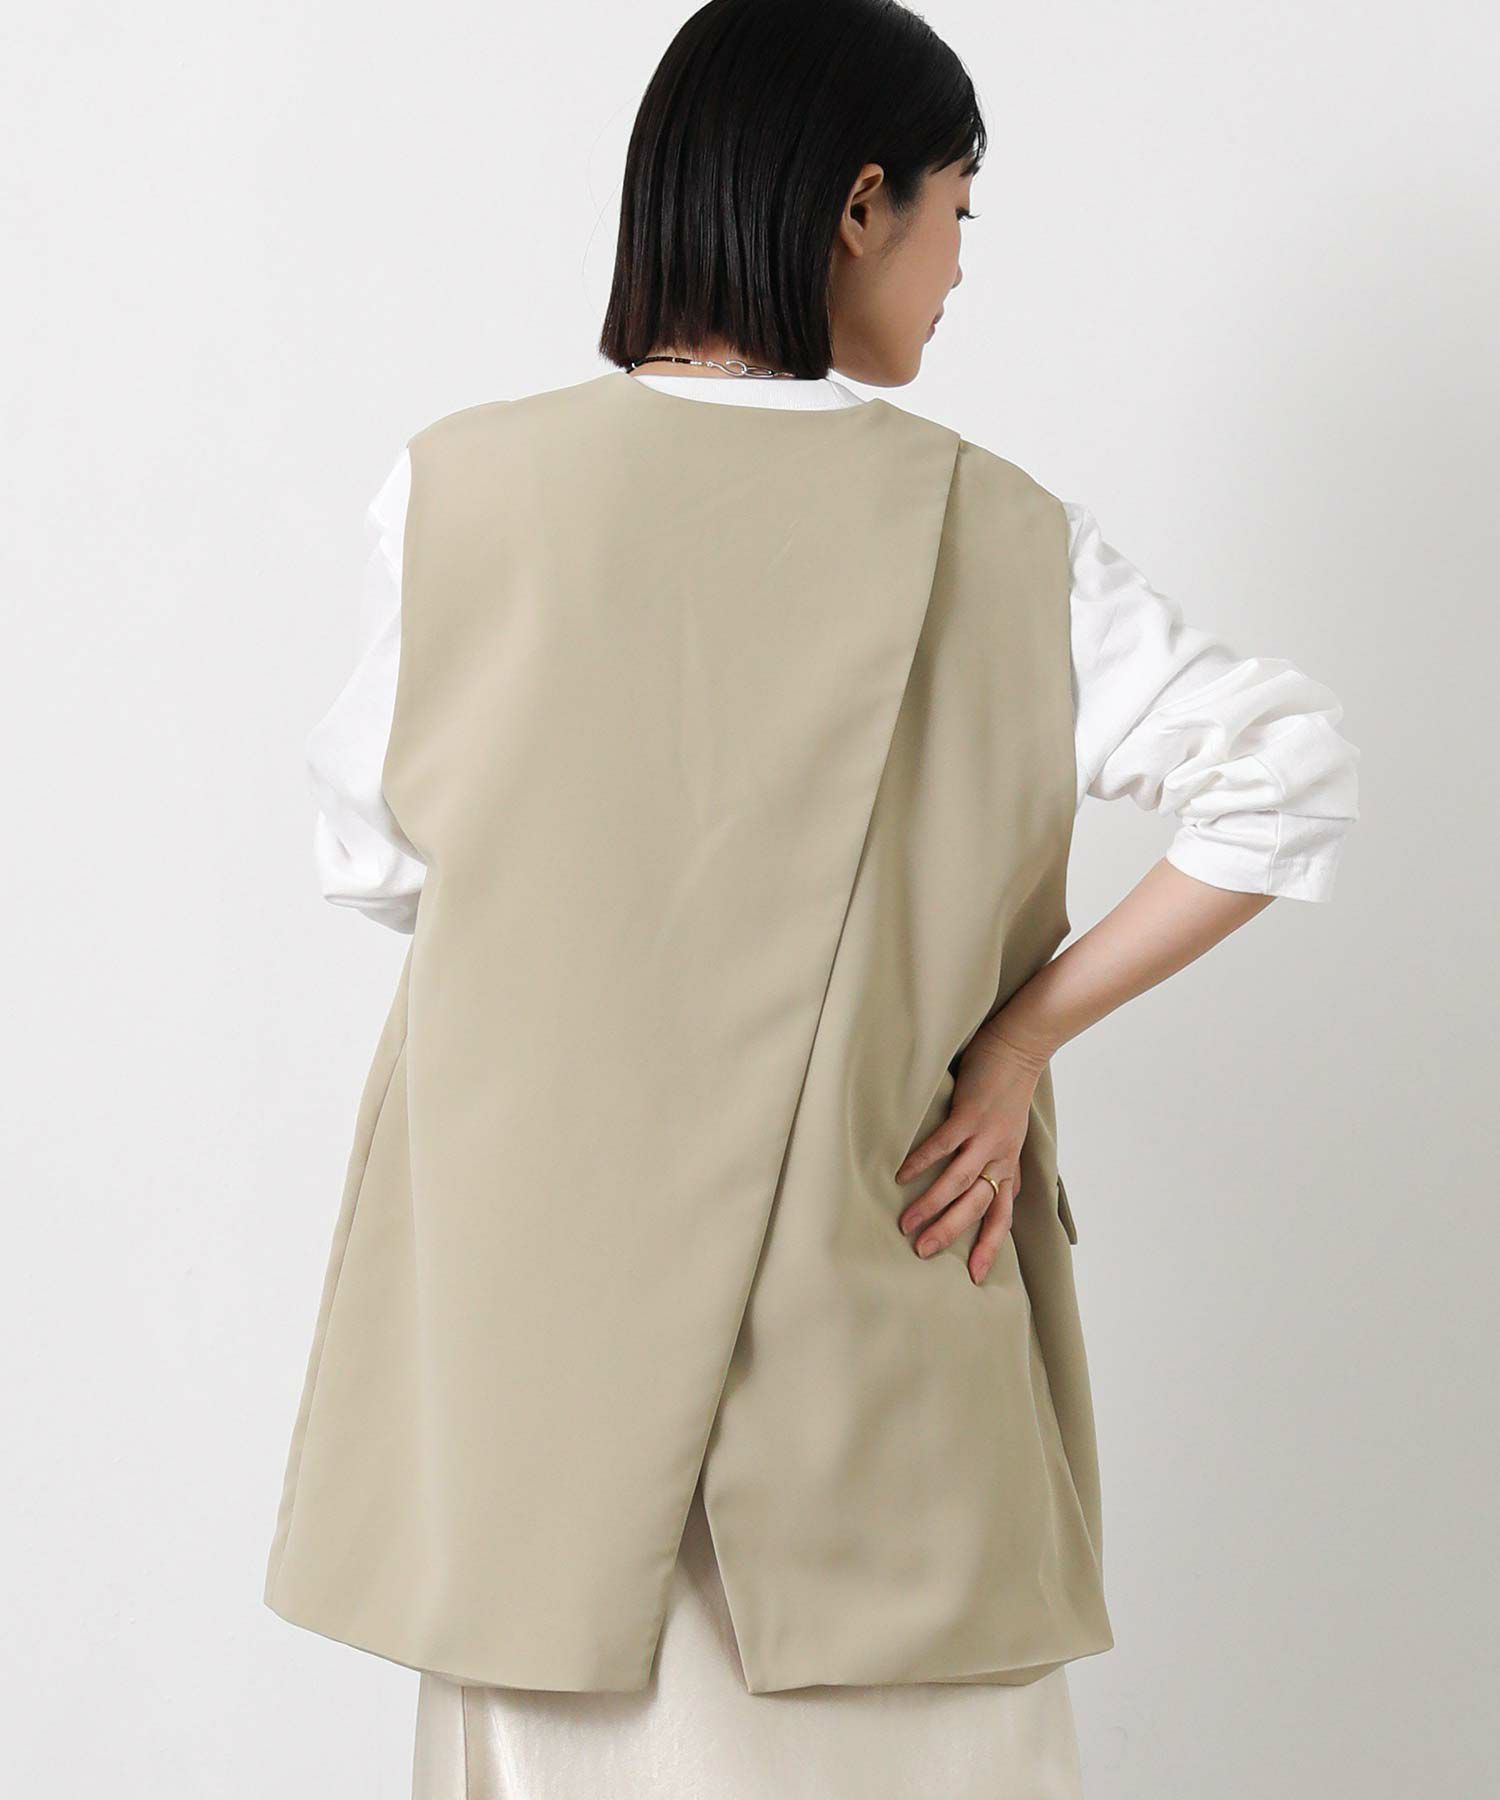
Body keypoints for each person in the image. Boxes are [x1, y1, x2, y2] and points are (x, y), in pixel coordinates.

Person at [267, 3, 1361, 1795]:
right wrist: (1011, 1045)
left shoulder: (461, 490)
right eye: (957, 213)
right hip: (879, 1366)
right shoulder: (995, 533)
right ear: (861, 206)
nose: (960, 268)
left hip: (536, 1385)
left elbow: (377, 859)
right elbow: (1285, 772)